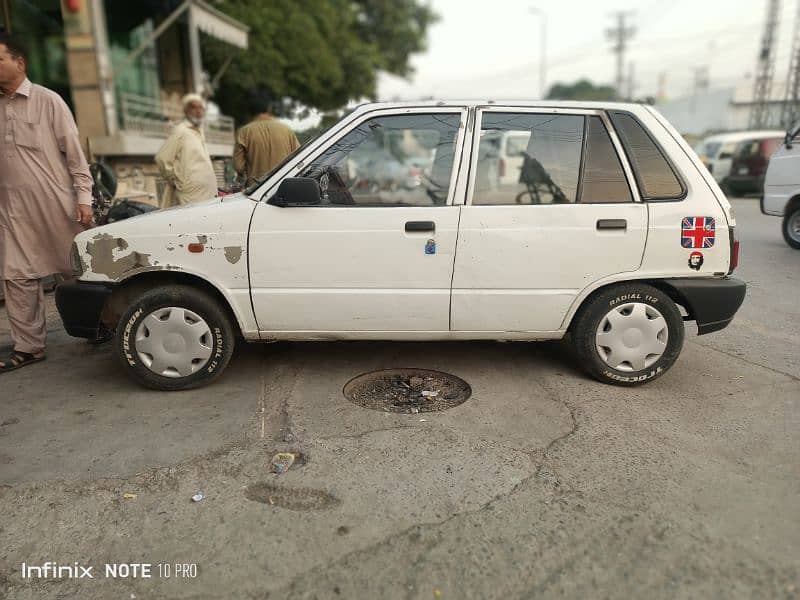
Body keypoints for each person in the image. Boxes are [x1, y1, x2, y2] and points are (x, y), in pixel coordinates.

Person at [0, 33, 94, 372]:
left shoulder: (48, 100)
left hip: (58, 205)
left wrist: (84, 197)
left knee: (79, 271)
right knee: (17, 277)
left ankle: (101, 325)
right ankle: (29, 347)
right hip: (12, 211)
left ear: (19, 62)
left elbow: (75, 154)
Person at [155, 93, 218, 207]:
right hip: (191, 195)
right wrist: (175, 180)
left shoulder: (199, 131)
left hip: (207, 192)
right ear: (186, 111)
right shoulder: (181, 130)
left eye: (200, 108)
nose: (198, 111)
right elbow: (162, 158)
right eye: (194, 107)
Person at [233, 95, 300, 187]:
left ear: (250, 111)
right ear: (269, 108)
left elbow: (238, 166)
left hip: (256, 190)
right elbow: (298, 157)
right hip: (284, 187)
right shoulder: (286, 130)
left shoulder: (244, 132)